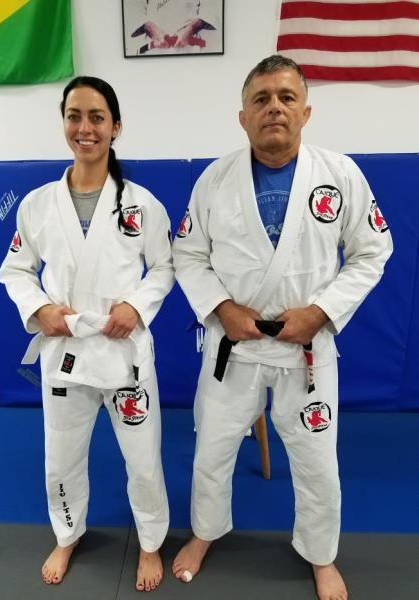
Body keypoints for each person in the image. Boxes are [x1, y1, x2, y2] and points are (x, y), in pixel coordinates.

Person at [171, 55, 393, 600]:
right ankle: (205, 532)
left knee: (317, 462)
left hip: (306, 351)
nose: (274, 107)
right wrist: (222, 308)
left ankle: (321, 554)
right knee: (212, 452)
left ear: (306, 112)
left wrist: (321, 313)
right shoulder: (214, 179)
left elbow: (372, 251)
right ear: (242, 117)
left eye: (286, 97)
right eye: (262, 99)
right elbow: (188, 254)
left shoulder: (340, 174)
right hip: (233, 347)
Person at [0, 76, 174, 592]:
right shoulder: (37, 205)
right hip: (66, 353)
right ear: (64, 123)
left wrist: (136, 307)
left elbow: (165, 267)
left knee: (143, 460)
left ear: (116, 127)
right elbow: (15, 270)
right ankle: (68, 532)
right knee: (61, 458)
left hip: (124, 355)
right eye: (74, 116)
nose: (85, 128)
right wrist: (40, 310)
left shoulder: (142, 204)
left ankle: (150, 542)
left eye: (97, 117)